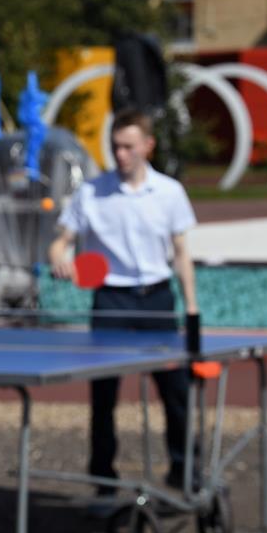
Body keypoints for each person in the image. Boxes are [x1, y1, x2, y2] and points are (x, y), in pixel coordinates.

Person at [48, 109, 200, 511]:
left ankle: (185, 472)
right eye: (115, 146)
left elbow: (181, 253)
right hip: (111, 301)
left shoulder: (169, 192)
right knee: (103, 397)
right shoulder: (91, 192)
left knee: (176, 391)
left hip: (157, 300)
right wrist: (60, 258)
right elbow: (60, 242)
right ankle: (103, 481)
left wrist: (192, 307)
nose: (120, 154)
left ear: (148, 146)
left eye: (129, 146)